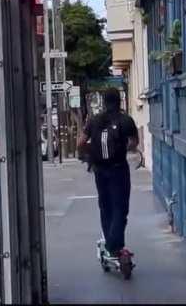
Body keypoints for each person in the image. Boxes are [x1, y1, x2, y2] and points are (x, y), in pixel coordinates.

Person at [77, 88, 139, 257]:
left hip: (100, 170)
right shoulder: (126, 120)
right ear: (119, 101)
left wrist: (90, 154)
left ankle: (112, 244)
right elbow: (134, 143)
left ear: (104, 102)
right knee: (120, 207)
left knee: (105, 207)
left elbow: (80, 143)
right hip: (119, 169)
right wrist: (123, 148)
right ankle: (114, 245)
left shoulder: (94, 120)